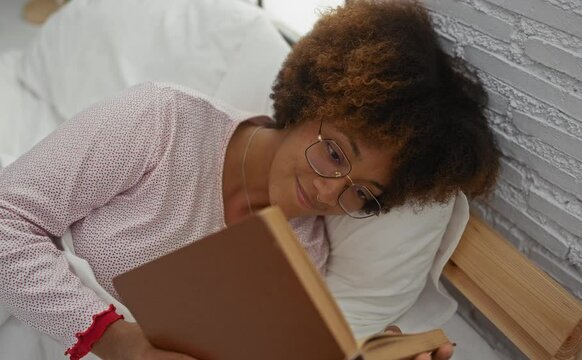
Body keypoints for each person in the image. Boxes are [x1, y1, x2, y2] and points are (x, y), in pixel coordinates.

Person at [0, 0, 499, 359]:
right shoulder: (161, 122)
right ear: (311, 98)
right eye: (333, 153)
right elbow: (6, 219)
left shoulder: (302, 256)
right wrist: (114, 340)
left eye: (361, 194)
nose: (329, 193)